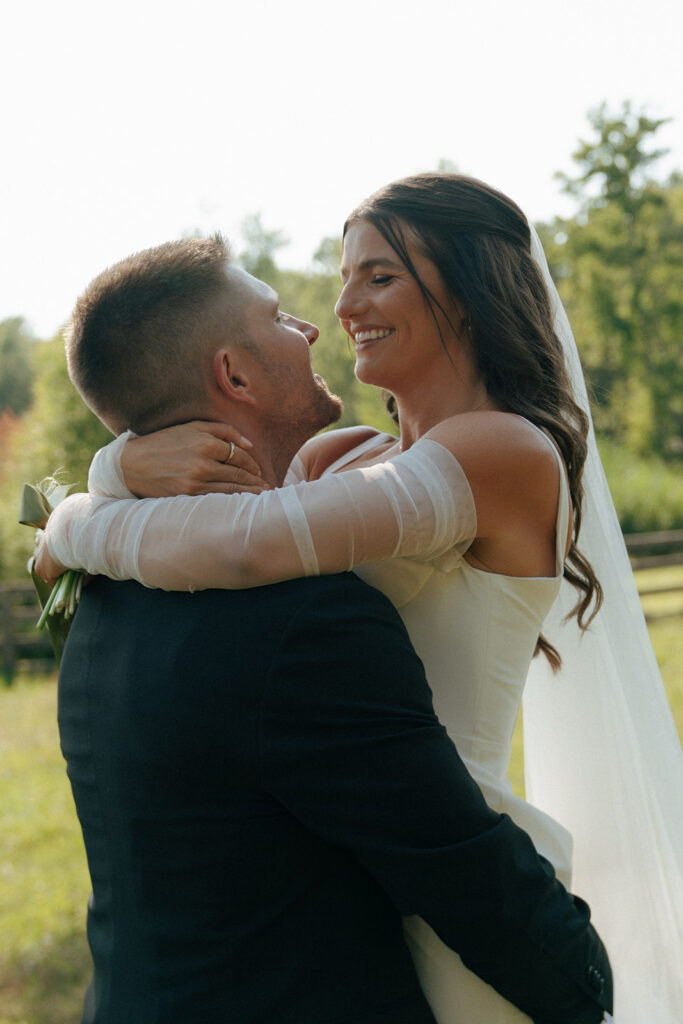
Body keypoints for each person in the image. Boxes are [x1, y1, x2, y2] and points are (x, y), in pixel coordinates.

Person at [41, 172, 683, 1019]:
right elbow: (242, 534)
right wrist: (114, 473)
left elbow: (250, 543)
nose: (340, 307)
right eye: (343, 276)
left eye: (378, 276)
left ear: (470, 292)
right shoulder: (340, 457)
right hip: (372, 894)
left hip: (465, 888)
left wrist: (82, 507)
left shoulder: (501, 452)